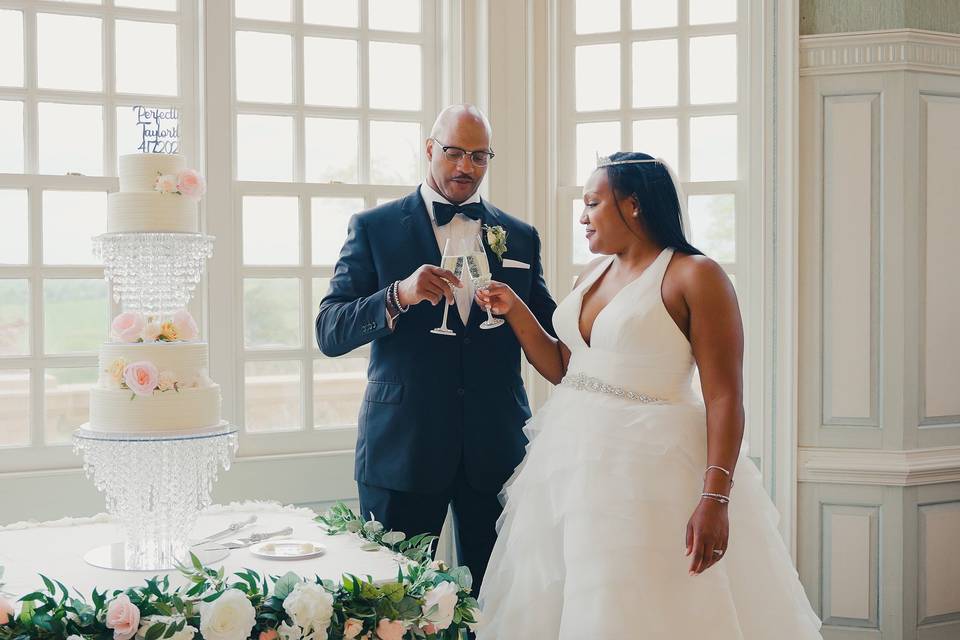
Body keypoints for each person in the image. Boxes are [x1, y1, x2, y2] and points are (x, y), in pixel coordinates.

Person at [473, 151, 823, 638]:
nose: (582, 217)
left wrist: (716, 498)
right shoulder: (591, 276)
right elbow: (566, 369)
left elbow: (725, 397)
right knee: (575, 604)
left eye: (593, 203)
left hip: (651, 477)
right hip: (570, 470)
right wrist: (513, 309)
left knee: (640, 608)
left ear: (632, 205)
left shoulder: (695, 275)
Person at [316, 104, 556, 594]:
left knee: (495, 603)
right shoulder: (374, 228)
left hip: (497, 450)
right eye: (453, 153)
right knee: (393, 606)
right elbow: (329, 330)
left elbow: (552, 328)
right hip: (403, 450)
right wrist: (398, 295)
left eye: (479, 156)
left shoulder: (520, 237)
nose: (466, 167)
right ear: (429, 150)